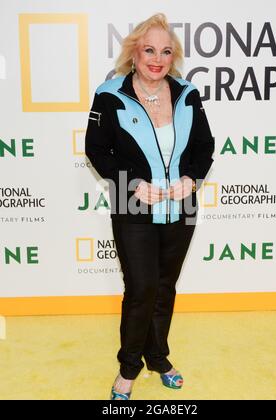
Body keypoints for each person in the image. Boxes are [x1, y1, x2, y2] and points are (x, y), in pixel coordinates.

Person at [85, 13, 215, 400]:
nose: (156, 58)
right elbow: (96, 150)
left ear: (172, 57)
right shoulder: (110, 94)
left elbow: (204, 147)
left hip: (182, 208)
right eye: (148, 50)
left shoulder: (188, 93)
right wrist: (134, 184)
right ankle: (128, 367)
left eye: (165, 51)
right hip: (132, 206)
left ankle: (158, 357)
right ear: (134, 53)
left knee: (164, 288)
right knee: (141, 288)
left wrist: (191, 179)